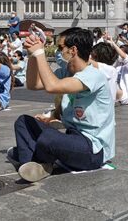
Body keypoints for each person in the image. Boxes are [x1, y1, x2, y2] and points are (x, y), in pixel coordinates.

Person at [9, 27, 114, 182]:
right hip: (73, 138)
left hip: (93, 149)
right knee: (23, 122)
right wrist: (32, 55)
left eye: (60, 48)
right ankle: (31, 165)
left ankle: (32, 154)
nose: (59, 52)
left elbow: (52, 87)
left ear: (73, 50)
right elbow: (33, 84)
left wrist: (40, 53)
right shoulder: (66, 72)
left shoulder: (93, 75)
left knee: (48, 138)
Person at [107, 38, 128, 105]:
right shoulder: (117, 63)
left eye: (121, 52)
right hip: (115, 89)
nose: (119, 55)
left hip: (125, 95)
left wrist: (113, 43)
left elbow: (125, 58)